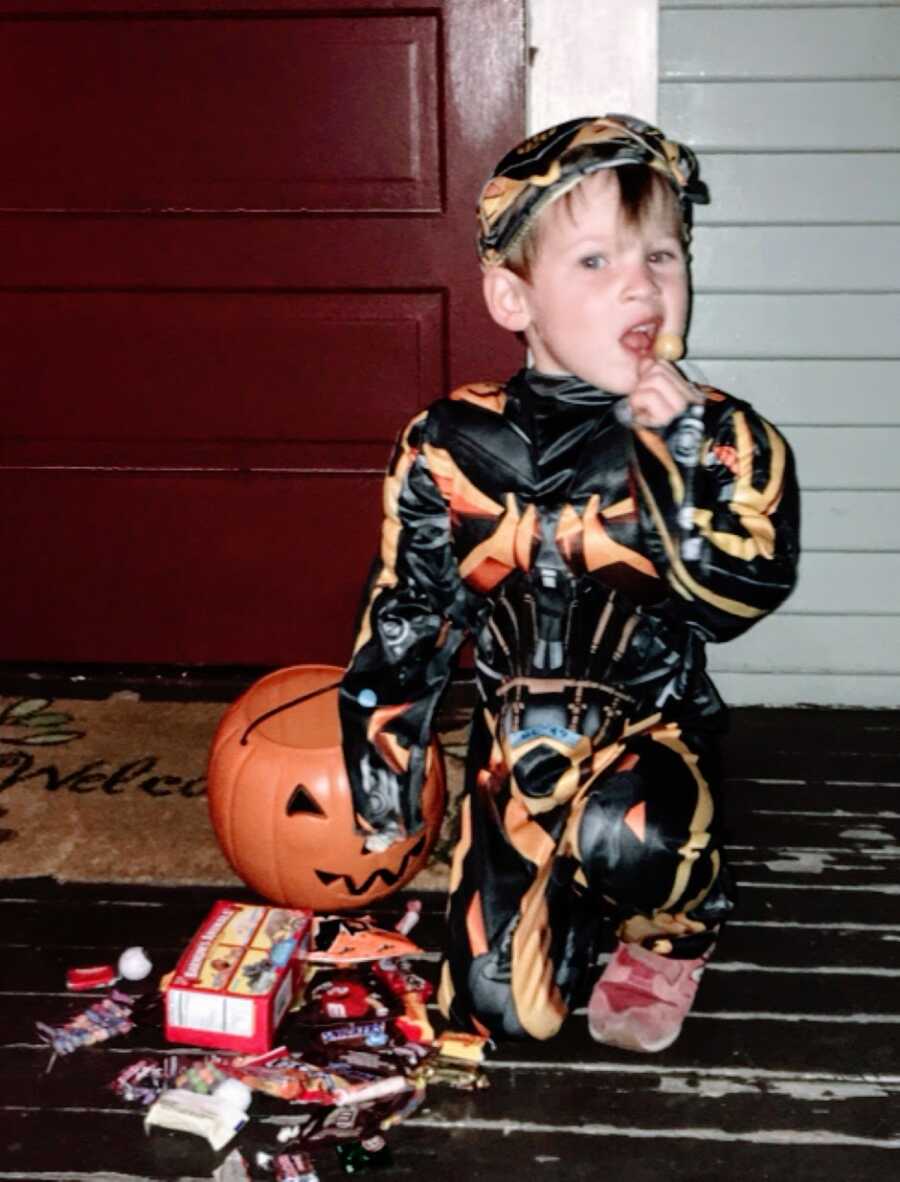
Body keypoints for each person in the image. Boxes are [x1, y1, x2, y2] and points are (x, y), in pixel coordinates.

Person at [338, 115, 800, 1051]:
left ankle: (676, 923)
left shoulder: (722, 435)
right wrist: (387, 755)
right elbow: (409, 612)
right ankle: (572, 894)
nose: (642, 283)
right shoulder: (446, 444)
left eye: (663, 257)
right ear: (513, 298)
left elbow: (741, 595)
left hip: (648, 733)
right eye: (595, 262)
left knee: (630, 838)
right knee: (501, 1014)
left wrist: (668, 466)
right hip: (516, 752)